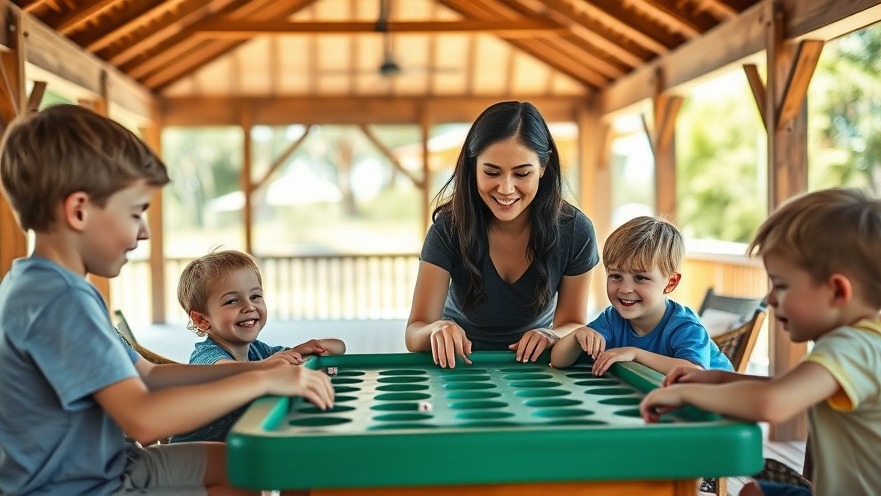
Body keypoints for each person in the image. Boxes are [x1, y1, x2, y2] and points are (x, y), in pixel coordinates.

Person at [0, 104, 334, 495]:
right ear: (79, 211)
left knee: (238, 464)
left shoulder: (41, 284)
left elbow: (150, 375)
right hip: (78, 487)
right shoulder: (60, 299)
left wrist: (262, 370)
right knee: (248, 466)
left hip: (105, 464)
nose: (144, 233)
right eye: (135, 212)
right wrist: (262, 384)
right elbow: (144, 420)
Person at [639, 188, 881, 496]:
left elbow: (774, 402)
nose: (769, 299)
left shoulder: (852, 346)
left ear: (836, 291)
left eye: (781, 286)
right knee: (753, 491)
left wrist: (689, 395)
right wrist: (719, 378)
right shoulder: (864, 340)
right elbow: (783, 386)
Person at [405, 101, 600, 368]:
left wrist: (551, 334)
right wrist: (436, 330)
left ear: (543, 167)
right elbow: (415, 330)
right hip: (458, 366)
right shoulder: (448, 228)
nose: (506, 188)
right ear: (473, 167)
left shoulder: (576, 231)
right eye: (491, 172)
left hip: (535, 367)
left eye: (522, 173)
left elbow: (572, 324)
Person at [171, 249, 346, 442]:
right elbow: (224, 371)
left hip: (236, 450)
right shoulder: (205, 355)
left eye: (255, 297)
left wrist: (311, 347)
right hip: (196, 460)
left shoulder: (258, 352)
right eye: (232, 301)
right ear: (202, 320)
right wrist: (267, 365)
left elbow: (338, 347)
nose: (249, 307)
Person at [550, 216, 732, 375]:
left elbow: (693, 371)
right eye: (615, 276)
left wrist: (635, 354)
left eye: (640, 278)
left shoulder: (684, 325)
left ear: (670, 283)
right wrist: (577, 336)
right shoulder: (612, 319)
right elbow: (558, 360)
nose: (625, 289)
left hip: (719, 404)